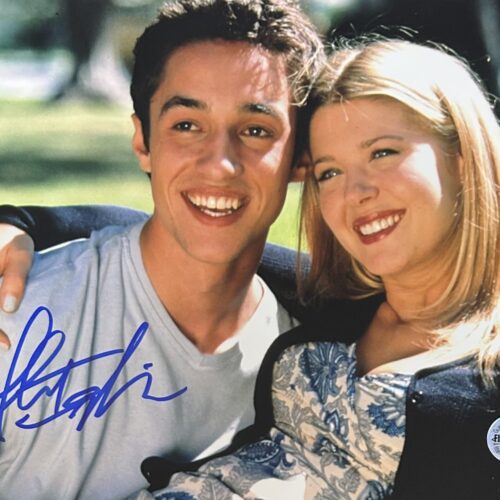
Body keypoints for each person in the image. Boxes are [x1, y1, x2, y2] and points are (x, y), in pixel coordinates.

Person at [129, 38, 499, 498]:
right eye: (330, 172)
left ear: (461, 157)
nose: (355, 192)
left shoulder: (483, 370)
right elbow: (186, 242)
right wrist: (43, 224)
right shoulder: (339, 297)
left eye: (383, 153)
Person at [0, 1, 326, 498]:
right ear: (143, 143)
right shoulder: (18, 310)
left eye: (256, 130)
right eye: (186, 125)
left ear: (301, 158)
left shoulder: (312, 374)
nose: (219, 164)